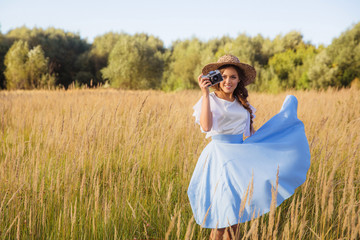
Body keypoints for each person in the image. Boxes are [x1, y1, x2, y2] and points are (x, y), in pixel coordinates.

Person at [187, 55, 310, 239]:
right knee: (221, 220)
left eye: (233, 77)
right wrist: (204, 94)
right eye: (224, 76)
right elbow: (206, 127)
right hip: (219, 160)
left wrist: (277, 137)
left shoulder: (243, 104)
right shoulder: (210, 99)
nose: (228, 81)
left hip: (239, 161)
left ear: (239, 80)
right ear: (217, 78)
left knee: (234, 220)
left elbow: (250, 136)